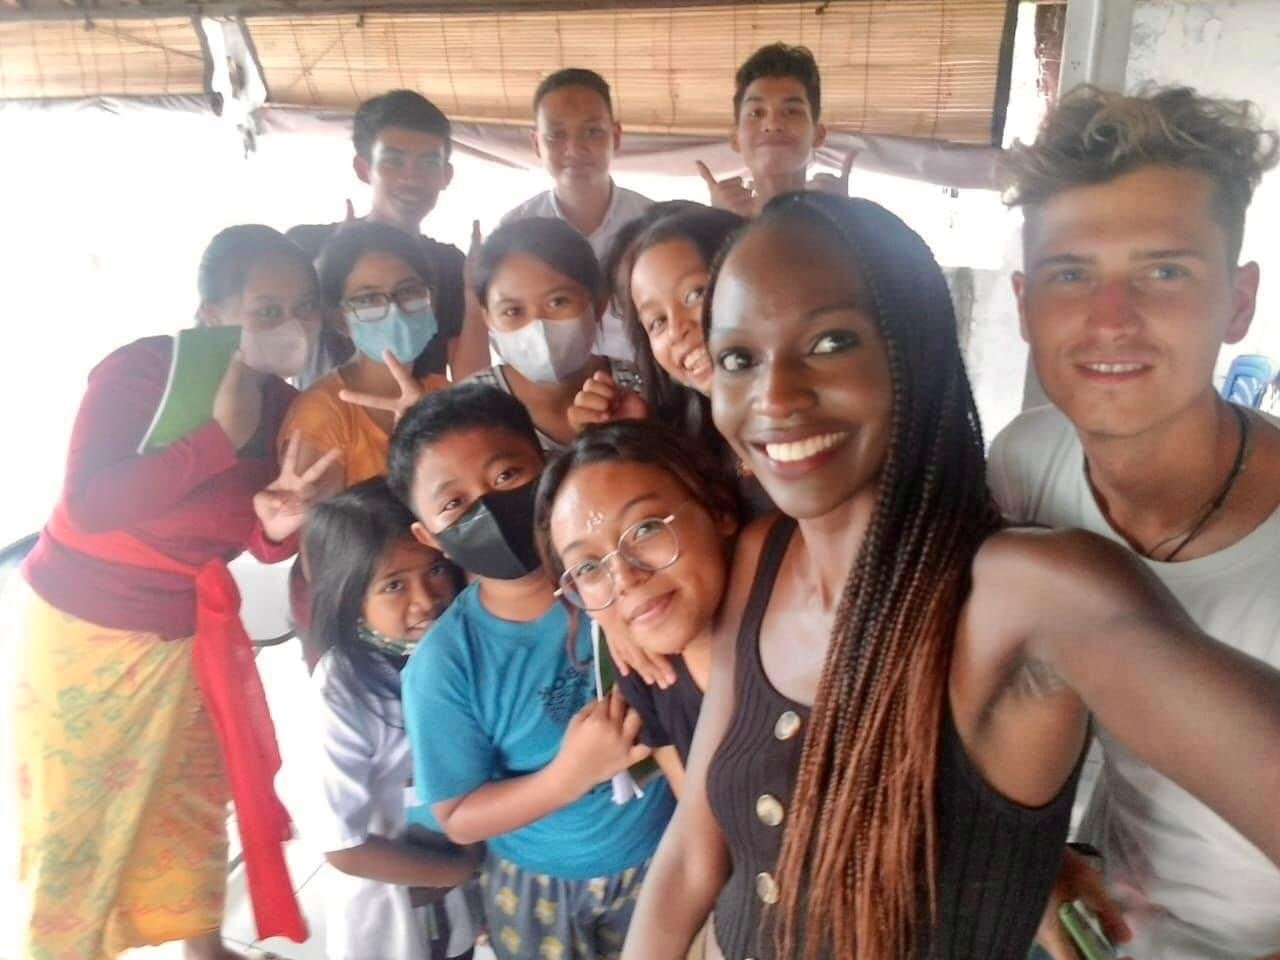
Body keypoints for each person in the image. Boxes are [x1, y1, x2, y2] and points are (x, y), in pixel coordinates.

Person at [617, 192, 1280, 960]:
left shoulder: (1027, 595)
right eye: (740, 358)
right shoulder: (762, 558)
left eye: (831, 341)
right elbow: (692, 854)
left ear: (916, 353)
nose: (776, 396)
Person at [990, 86, 1280, 960]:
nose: (1110, 319)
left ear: (1238, 301)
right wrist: (1039, 859)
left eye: (1164, 272)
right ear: (1024, 304)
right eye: (1071, 274)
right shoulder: (1027, 465)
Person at [6, 225, 339, 960]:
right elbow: (89, 504)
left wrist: (278, 528)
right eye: (268, 310)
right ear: (213, 314)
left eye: (305, 308)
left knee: (193, 793)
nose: (293, 326)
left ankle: (203, 946)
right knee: (81, 817)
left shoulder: (285, 408)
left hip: (187, 627)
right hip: (86, 627)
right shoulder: (143, 371)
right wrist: (214, 438)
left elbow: (254, 532)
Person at [386, 383, 676, 960]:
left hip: (666, 851)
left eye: (506, 475)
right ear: (428, 535)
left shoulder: (628, 583)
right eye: (454, 504)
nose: (488, 507)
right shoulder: (445, 667)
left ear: (546, 468)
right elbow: (459, 816)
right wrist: (568, 776)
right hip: (543, 883)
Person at [298, 478, 483, 960]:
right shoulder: (341, 692)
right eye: (394, 585)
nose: (426, 599)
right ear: (350, 598)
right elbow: (342, 845)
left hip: (461, 896)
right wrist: (457, 871)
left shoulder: (459, 646)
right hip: (391, 916)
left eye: (436, 570)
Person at [535, 420, 741, 793]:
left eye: (645, 529)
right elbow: (696, 806)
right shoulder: (640, 671)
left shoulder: (801, 616)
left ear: (717, 509)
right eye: (588, 568)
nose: (625, 578)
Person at [288, 90, 488, 384]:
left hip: (421, 413)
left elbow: (471, 382)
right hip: (322, 412)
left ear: (446, 175)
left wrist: (474, 296)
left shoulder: (451, 266)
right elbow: (273, 345)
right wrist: (325, 270)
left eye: (428, 163)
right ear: (364, 169)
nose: (412, 178)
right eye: (394, 161)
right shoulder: (306, 246)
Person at [280, 220, 451, 488]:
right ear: (340, 319)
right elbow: (315, 509)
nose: (394, 310)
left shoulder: (443, 393)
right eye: (369, 299)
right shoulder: (323, 413)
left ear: (431, 298)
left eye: (408, 291)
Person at [502, 68, 653, 361]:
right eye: (556, 135)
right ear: (536, 144)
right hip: (553, 383)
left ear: (616, 136)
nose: (575, 149)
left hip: (646, 381)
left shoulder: (652, 224)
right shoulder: (515, 231)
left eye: (592, 132)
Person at [468, 217, 643, 452]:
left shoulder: (643, 388)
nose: (538, 326)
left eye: (558, 301)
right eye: (513, 311)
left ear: (598, 303)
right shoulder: (467, 411)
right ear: (488, 319)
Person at [695, 43, 855, 219]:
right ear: (735, 138)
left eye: (791, 111)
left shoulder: (852, 221)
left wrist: (841, 218)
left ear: (818, 135)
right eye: (756, 113)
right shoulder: (695, 225)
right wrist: (719, 220)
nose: (773, 124)